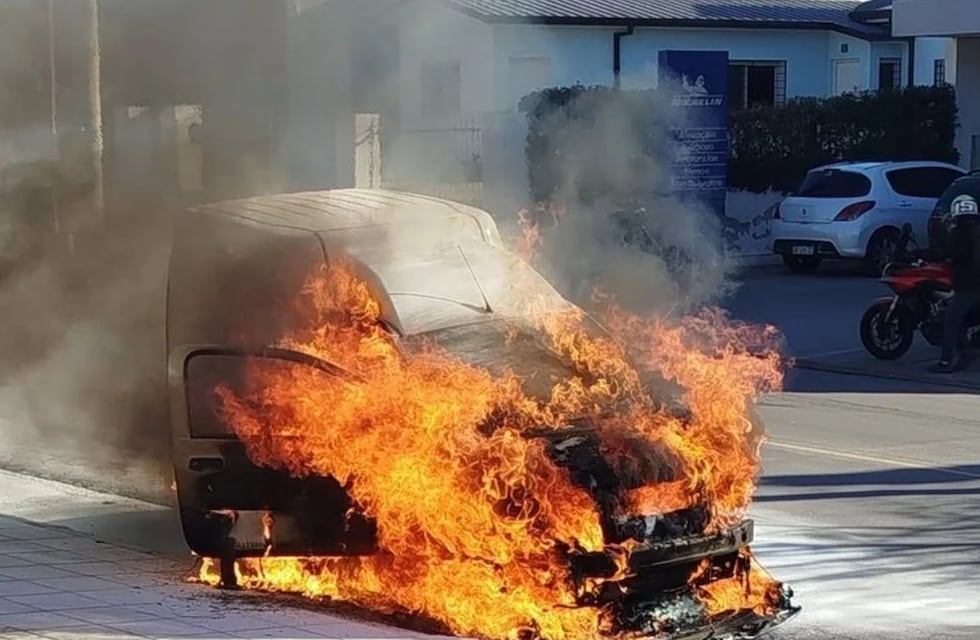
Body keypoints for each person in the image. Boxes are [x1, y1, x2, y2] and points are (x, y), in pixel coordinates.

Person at [930, 194, 980, 373]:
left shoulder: (957, 233)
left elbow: (945, 254)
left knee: (950, 321)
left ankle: (946, 361)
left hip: (968, 286)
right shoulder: (977, 230)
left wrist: (921, 255)